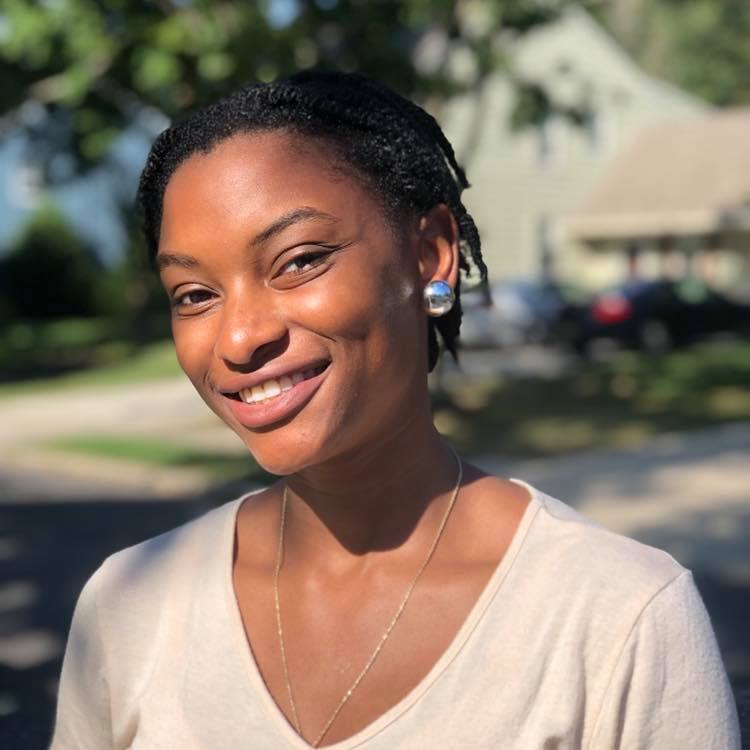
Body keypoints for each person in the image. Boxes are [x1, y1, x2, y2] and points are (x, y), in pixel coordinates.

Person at [51, 71, 740, 749]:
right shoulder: (129, 608)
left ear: (430, 255)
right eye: (194, 294)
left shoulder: (619, 621)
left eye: (298, 260)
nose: (239, 337)